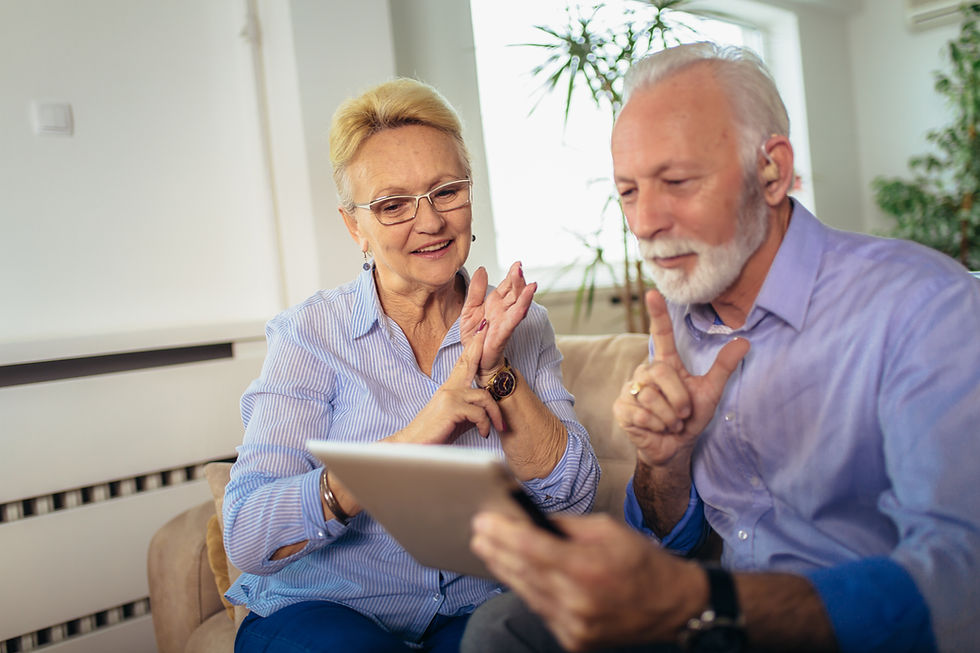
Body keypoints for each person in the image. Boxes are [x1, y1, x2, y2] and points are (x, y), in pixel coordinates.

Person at [462, 42, 980, 653]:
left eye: (676, 181)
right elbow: (665, 538)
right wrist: (664, 459)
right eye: (628, 192)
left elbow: (961, 580)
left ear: (772, 171)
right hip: (714, 620)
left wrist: (705, 602)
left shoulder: (923, 305)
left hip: (850, 631)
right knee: (505, 627)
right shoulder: (680, 313)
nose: (645, 221)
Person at [222, 78, 599, 653]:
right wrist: (398, 452)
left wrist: (497, 369)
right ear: (355, 227)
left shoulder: (521, 324)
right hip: (326, 606)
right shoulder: (309, 335)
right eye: (392, 205)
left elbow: (573, 500)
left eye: (446, 191)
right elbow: (248, 535)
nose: (430, 223)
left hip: (475, 606)